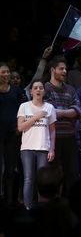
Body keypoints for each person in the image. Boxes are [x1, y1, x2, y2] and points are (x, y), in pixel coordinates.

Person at [44, 55, 81, 196]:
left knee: (72, 172)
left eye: (65, 68)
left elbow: (78, 111)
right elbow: (48, 112)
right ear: (53, 70)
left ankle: (71, 201)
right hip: (52, 138)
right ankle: (55, 201)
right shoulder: (45, 89)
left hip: (70, 137)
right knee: (55, 172)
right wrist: (68, 112)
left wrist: (59, 112)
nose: (65, 71)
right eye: (61, 69)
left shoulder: (71, 89)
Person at [16, 79, 56, 209]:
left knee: (42, 180)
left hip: (43, 148)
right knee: (28, 178)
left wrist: (52, 149)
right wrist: (36, 117)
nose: (38, 90)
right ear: (31, 91)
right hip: (27, 148)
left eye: (41, 88)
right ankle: (28, 207)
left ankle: (41, 208)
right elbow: (20, 127)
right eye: (35, 88)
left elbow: (52, 130)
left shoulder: (49, 108)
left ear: (44, 91)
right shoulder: (24, 106)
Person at [0, 62, 26, 206]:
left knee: (10, 169)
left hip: (12, 136)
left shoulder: (17, 91)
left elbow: (25, 109)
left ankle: (10, 200)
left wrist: (19, 127)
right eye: (3, 72)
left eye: (7, 72)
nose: (6, 74)